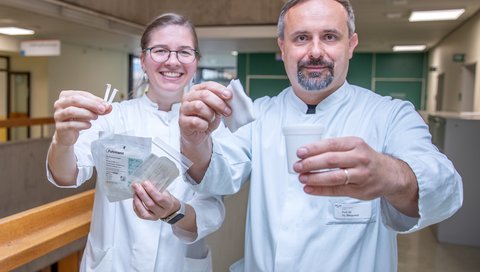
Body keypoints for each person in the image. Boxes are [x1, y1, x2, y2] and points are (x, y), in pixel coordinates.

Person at [178, 0, 463, 271]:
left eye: (329, 36)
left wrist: (390, 174)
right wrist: (194, 141)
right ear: (283, 47)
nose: (315, 51)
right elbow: (219, 173)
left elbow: (446, 189)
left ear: (351, 44)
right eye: (301, 38)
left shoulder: (389, 115)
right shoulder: (259, 116)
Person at [46, 13, 224, 272]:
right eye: (160, 50)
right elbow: (66, 175)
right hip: (114, 264)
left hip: (178, 264)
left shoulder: (211, 126)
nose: (172, 61)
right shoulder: (112, 117)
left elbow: (213, 209)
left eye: (184, 52)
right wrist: (62, 141)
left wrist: (174, 211)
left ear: (196, 61)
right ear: (142, 59)